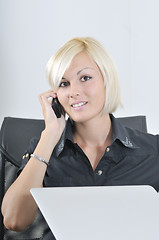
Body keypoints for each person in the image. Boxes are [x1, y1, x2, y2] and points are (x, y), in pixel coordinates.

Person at [1, 37, 159, 239]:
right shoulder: (44, 149)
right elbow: (15, 221)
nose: (73, 92)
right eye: (63, 83)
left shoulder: (153, 151)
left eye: (85, 78)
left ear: (106, 79)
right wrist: (50, 134)